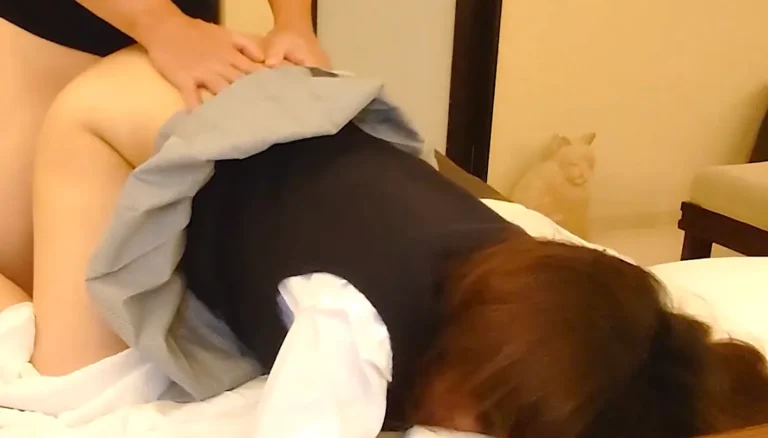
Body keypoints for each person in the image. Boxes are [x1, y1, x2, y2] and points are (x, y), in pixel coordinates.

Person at [5, 47, 768, 437]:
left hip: (264, 120)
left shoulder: (560, 288)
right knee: (73, 396)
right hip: (118, 120)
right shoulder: (354, 325)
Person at [0, 0, 327, 297]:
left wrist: (294, 23)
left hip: (182, 51)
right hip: (48, 40)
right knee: (30, 283)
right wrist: (161, 25)